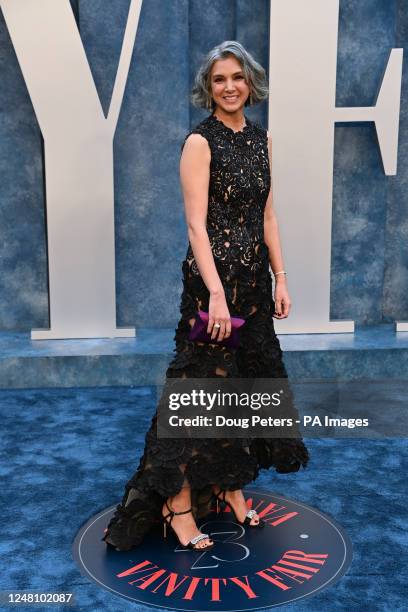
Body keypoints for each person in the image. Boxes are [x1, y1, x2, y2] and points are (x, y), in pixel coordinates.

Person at [102, 40, 309, 552]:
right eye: (219, 79)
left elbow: (267, 217)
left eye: (237, 77)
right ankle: (178, 504)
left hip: (255, 288)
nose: (230, 86)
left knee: (239, 389)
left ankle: (228, 484)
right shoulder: (200, 142)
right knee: (198, 394)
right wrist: (216, 294)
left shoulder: (260, 140)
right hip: (212, 288)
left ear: (250, 82)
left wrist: (281, 277)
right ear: (207, 88)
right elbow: (196, 225)